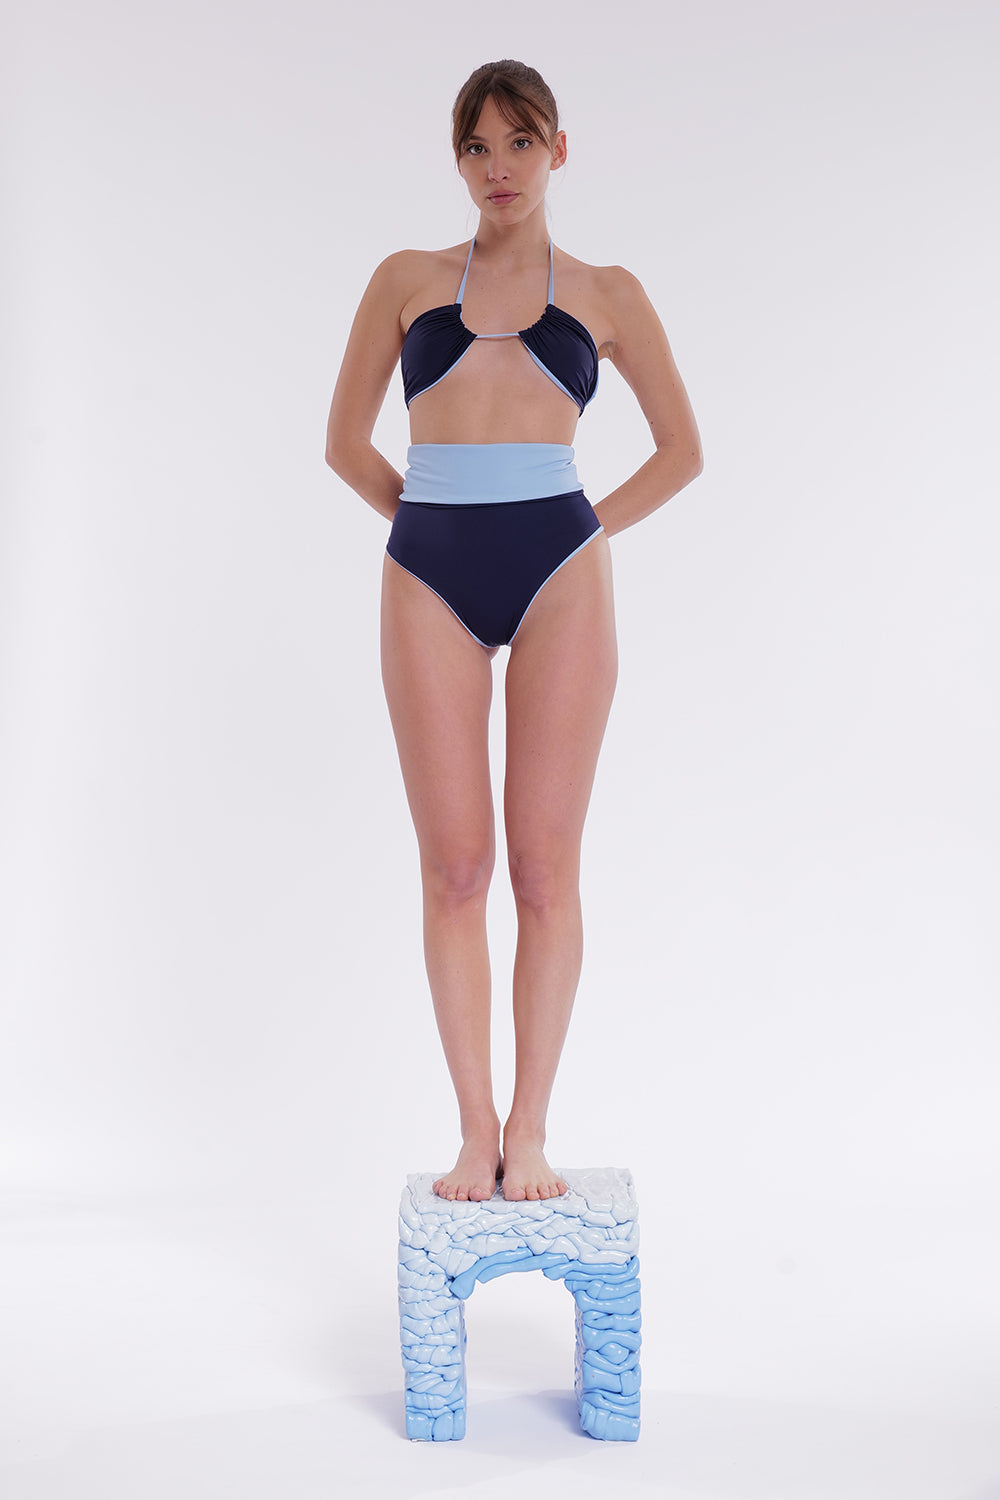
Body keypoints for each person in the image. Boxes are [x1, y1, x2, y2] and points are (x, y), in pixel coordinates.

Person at [325, 60, 701, 1204]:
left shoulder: (608, 292)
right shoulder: (404, 279)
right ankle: (473, 1129)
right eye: (479, 147)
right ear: (457, 160)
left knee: (542, 868)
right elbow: (344, 443)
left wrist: (578, 532)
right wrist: (425, 526)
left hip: (560, 578)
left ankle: (530, 1129)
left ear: (558, 150)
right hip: (426, 577)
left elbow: (682, 452)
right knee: (455, 867)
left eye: (521, 142)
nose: (500, 167)